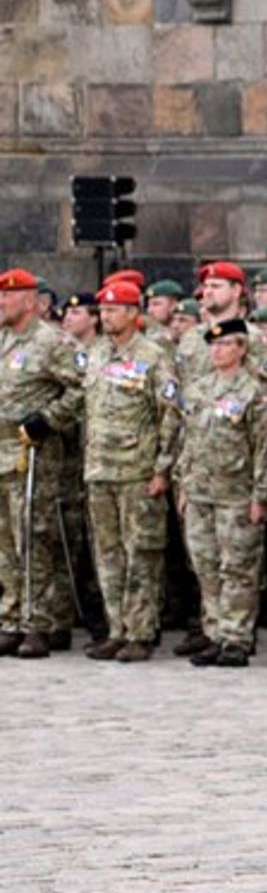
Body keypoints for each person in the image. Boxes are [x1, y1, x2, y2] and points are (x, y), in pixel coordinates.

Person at [82, 281, 183, 662]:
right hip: (100, 470)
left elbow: (171, 416)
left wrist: (162, 469)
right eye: (103, 310)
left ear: (132, 313)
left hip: (138, 471)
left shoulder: (153, 356)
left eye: (114, 310)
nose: (106, 316)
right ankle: (116, 628)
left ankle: (140, 631)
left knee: (141, 553)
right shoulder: (96, 354)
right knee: (107, 554)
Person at [174, 318, 267, 666]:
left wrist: (260, 496)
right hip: (201, 492)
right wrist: (184, 485)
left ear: (241, 349)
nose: (217, 351)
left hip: (237, 494)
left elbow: (265, 448)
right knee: (205, 566)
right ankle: (214, 632)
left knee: (237, 568)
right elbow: (187, 441)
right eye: (214, 345)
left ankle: (237, 636)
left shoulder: (254, 392)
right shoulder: (199, 389)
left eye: (225, 345)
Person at [0, 267, 86, 658]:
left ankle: (42, 622)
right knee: (5, 544)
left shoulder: (53, 343)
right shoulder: (3, 339)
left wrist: (48, 419)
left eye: (8, 295)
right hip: (2, 453)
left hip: (33, 452)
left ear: (31, 301)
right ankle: (13, 617)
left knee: (34, 538)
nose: (1, 302)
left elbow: (83, 388)